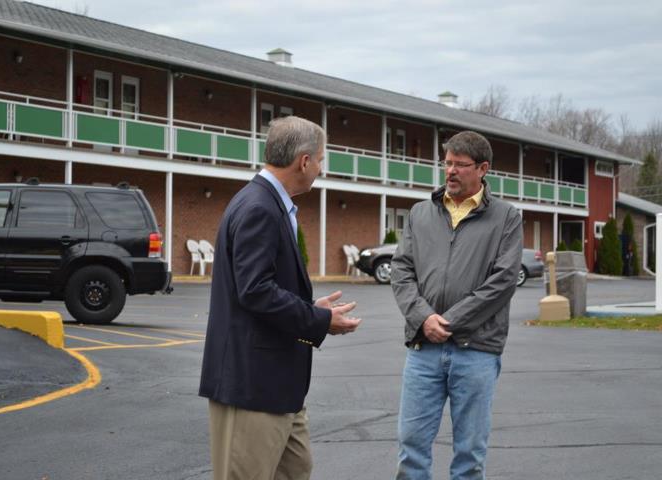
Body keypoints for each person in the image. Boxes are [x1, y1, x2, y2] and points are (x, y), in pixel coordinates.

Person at [199, 115, 361, 480]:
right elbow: (254, 291)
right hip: (252, 387)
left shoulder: (270, 203)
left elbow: (262, 285)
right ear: (304, 161)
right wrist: (319, 320)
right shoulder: (259, 207)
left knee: (295, 471)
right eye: (320, 160)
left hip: (279, 389)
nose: (321, 169)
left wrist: (310, 309)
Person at [391, 131, 522, 480]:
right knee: (411, 447)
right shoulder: (420, 213)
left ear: (482, 169)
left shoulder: (507, 217)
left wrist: (446, 322)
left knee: (469, 454)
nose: (450, 171)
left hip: (476, 351)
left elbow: (503, 280)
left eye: (460, 165)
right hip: (423, 349)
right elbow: (402, 272)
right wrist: (424, 318)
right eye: (446, 163)